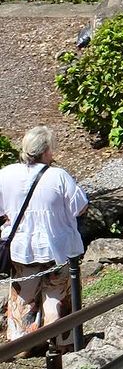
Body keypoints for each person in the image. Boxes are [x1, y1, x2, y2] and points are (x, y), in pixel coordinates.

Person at [0, 126, 87, 347]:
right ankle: (59, 341)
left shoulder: (6, 174)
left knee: (22, 297)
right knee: (56, 295)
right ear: (46, 151)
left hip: (21, 249)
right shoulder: (59, 176)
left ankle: (21, 346)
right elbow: (81, 206)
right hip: (57, 248)